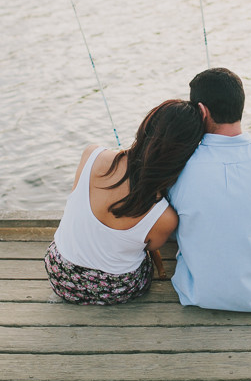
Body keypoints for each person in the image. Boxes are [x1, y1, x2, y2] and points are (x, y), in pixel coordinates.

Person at [45, 99, 205, 305]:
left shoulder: (91, 155)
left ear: (145, 125)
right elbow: (151, 247)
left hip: (60, 273)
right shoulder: (164, 217)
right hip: (116, 289)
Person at [168, 68, 251, 313]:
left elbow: (174, 229)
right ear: (241, 106)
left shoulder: (180, 165)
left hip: (199, 293)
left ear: (201, 111)